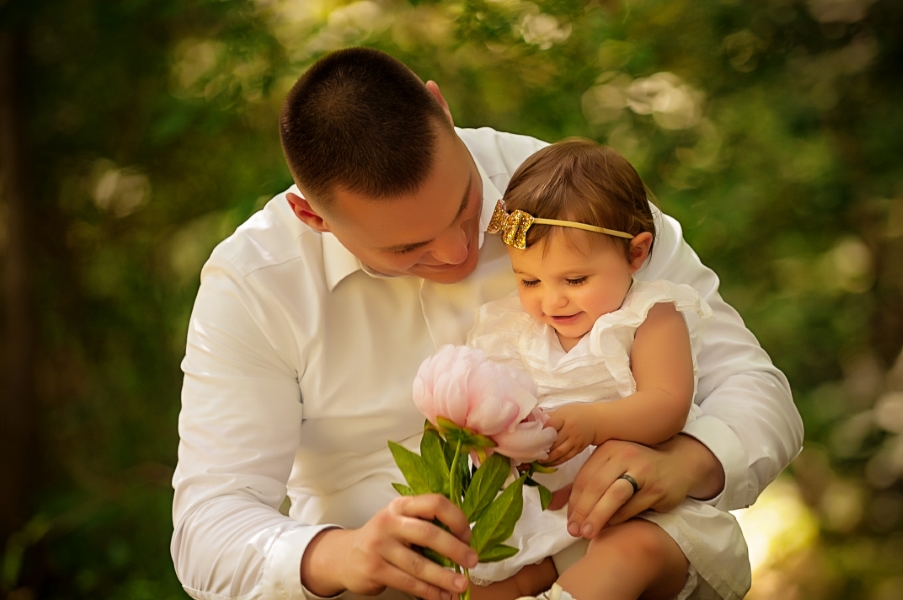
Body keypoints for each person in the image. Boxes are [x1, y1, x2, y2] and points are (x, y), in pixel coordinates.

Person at [171, 47, 803, 600]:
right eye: (406, 249)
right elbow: (208, 528)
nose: (457, 253)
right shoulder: (256, 285)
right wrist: (342, 554)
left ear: (441, 110)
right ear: (314, 218)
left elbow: (756, 390)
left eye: (467, 206)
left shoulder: (572, 196)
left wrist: (691, 461)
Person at [463, 139, 749, 600]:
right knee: (486, 583)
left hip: (643, 512)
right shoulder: (510, 331)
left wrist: (594, 421)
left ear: (636, 254)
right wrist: (491, 440)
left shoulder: (648, 317)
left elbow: (667, 404)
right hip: (550, 521)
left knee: (626, 555)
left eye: (575, 280)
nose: (551, 300)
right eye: (529, 280)